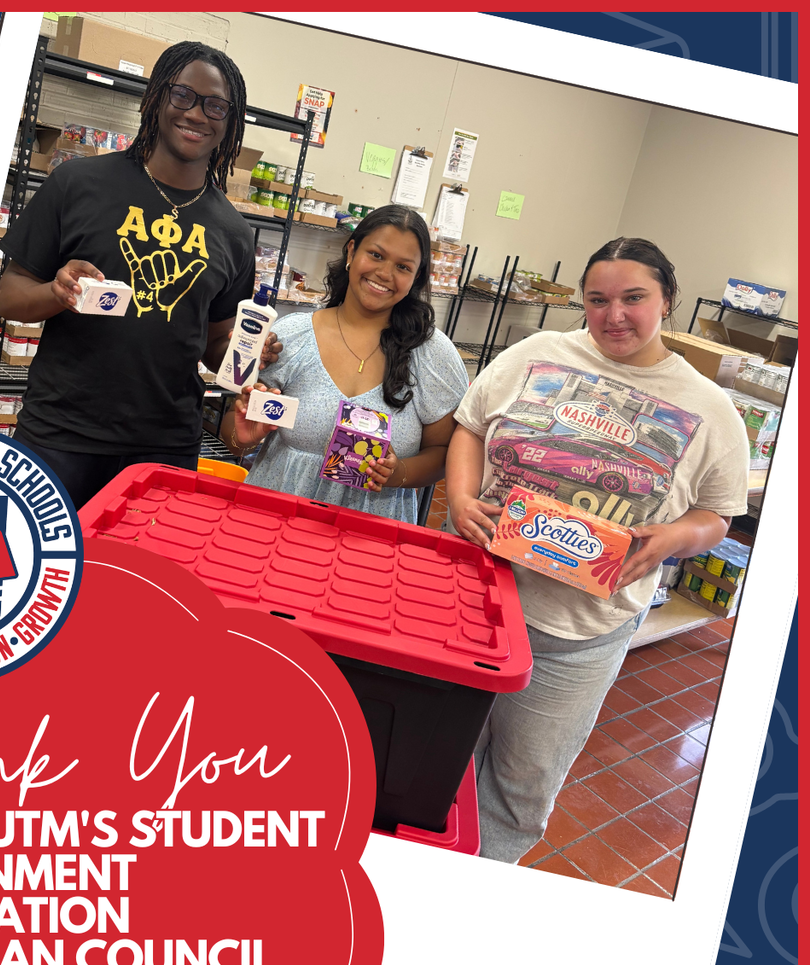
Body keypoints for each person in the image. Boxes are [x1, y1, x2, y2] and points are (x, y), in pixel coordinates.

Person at [445, 237, 750, 863]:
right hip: (474, 599)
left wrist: (674, 537)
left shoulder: (709, 408)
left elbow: (718, 513)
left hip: (576, 636)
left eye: (633, 298)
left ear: (667, 299)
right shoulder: (537, 352)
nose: (614, 315)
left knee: (519, 788)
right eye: (597, 300)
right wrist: (459, 497)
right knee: (438, 759)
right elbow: (471, 426)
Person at [0, 41, 279, 508]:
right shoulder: (77, 183)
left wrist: (246, 352)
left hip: (163, 446)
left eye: (216, 106)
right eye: (182, 95)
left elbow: (215, 343)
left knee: (134, 580)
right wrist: (57, 290)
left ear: (230, 123)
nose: (196, 114)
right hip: (58, 435)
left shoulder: (233, 232)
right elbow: (10, 297)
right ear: (156, 98)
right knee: (41, 572)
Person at [221, 205, 468, 523]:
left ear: (416, 278)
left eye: (403, 267)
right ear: (352, 250)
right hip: (274, 521)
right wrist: (243, 438)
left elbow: (444, 453)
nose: (385, 274)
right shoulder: (293, 335)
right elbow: (234, 432)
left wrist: (396, 473)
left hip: (371, 537)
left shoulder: (432, 354)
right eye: (376, 255)